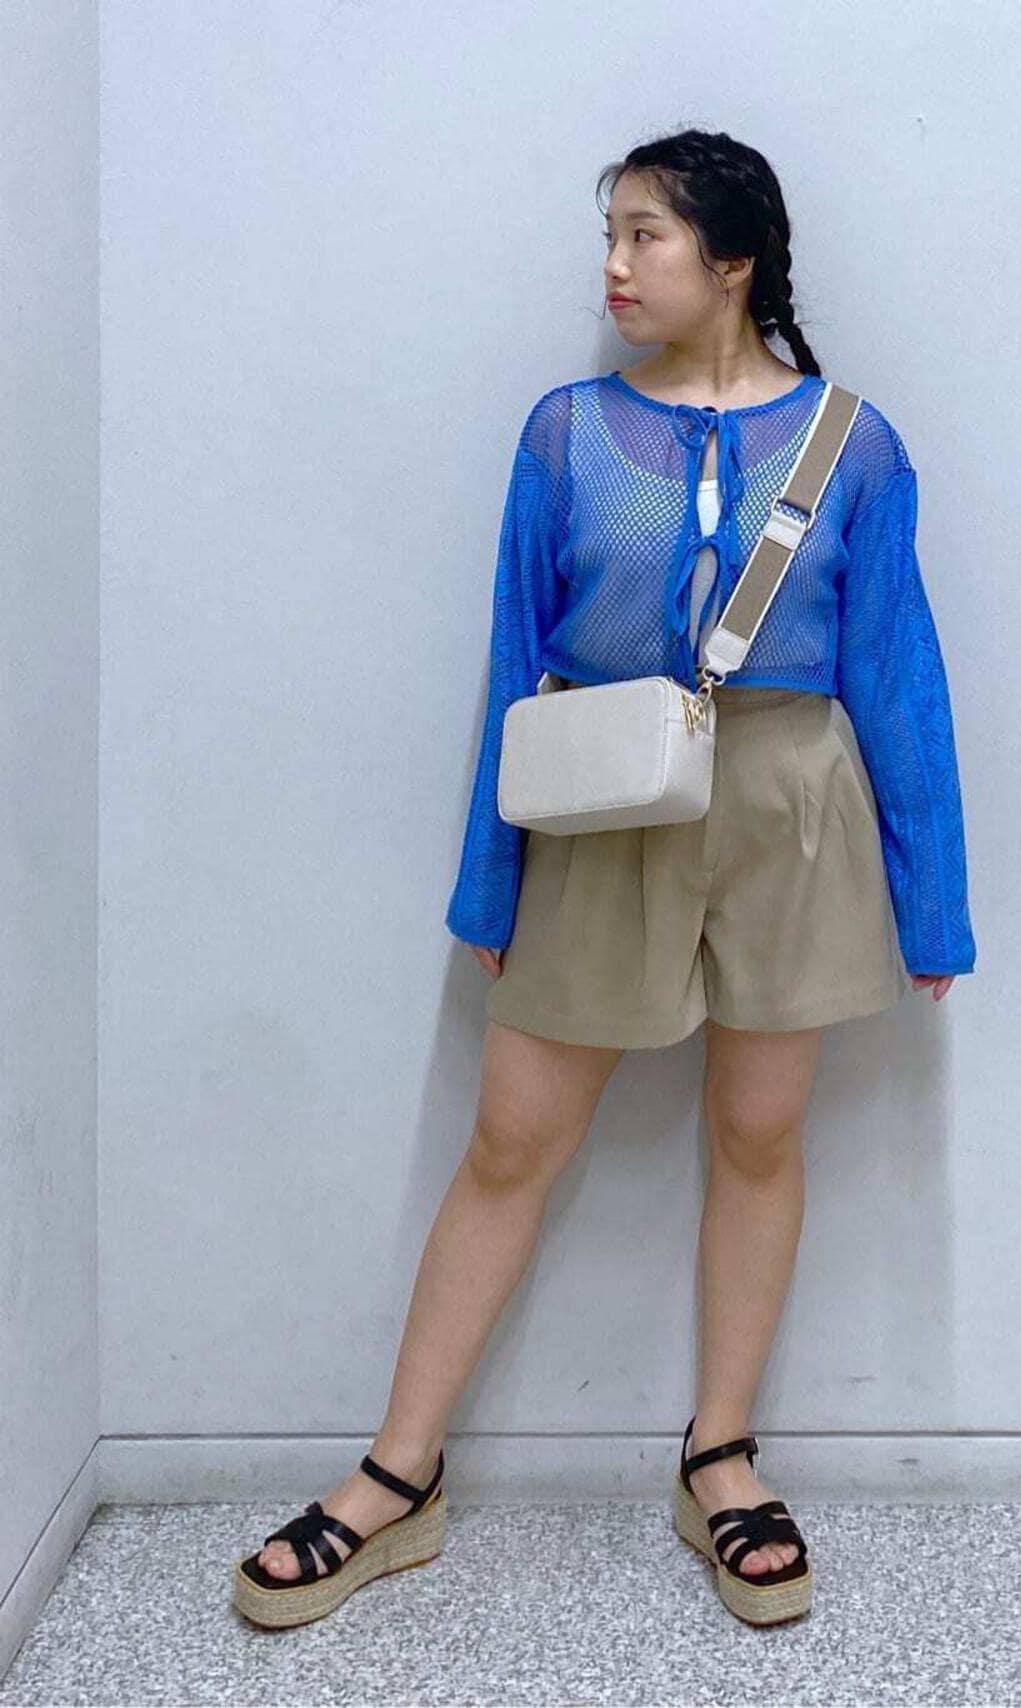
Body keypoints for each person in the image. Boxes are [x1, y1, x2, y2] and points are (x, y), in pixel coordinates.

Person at [232, 127, 976, 1631]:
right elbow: (516, 656)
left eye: (646, 235)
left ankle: (722, 1456)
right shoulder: (567, 432)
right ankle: (397, 1476)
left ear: (733, 260)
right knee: (513, 1142)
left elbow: (899, 669)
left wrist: (932, 897)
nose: (616, 267)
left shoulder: (855, 443)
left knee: (760, 1135)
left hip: (792, 806)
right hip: (599, 793)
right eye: (613, 237)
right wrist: (491, 884)